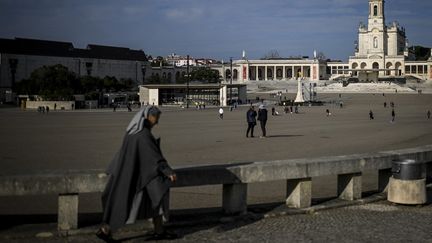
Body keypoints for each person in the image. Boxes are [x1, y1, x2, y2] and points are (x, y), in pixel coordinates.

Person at [97, 106, 178, 242]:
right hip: (139, 175)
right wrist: (168, 171)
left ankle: (159, 230)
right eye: (156, 118)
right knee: (125, 202)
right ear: (148, 117)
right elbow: (154, 157)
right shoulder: (143, 135)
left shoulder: (132, 132)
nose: (157, 122)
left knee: (153, 200)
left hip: (135, 172)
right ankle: (105, 230)